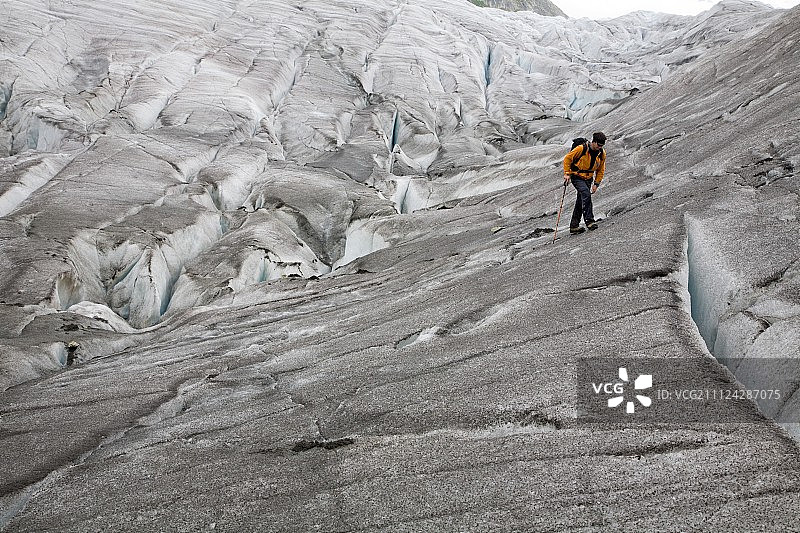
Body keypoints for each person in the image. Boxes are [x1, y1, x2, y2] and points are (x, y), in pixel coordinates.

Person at [563, 132, 607, 234]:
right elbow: (567, 159)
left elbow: (601, 169)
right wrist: (567, 173)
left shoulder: (601, 153)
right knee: (586, 194)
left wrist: (596, 183)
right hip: (577, 176)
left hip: (589, 178)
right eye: (598, 145)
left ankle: (574, 226)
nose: (600, 147)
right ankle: (590, 221)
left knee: (580, 200)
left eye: (602, 145)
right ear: (594, 142)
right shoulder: (581, 149)